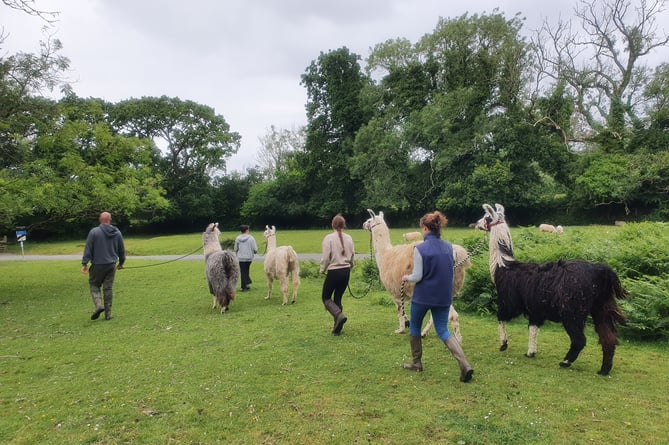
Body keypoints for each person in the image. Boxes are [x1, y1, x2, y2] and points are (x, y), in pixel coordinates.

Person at [401, 211, 474, 382]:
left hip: (423, 297)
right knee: (443, 330)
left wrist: (407, 277)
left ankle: (417, 363)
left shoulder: (419, 249)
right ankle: (465, 365)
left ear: (425, 228)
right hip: (443, 297)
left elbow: (418, 276)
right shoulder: (449, 247)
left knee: (415, 328)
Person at [81, 212, 126, 321]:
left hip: (97, 265)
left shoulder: (94, 232)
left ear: (100, 220)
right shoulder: (117, 233)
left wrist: (84, 263)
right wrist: (121, 263)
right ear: (110, 220)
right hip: (111, 265)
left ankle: (98, 305)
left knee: (94, 285)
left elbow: (88, 249)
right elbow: (121, 250)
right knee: (108, 288)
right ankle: (108, 314)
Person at [320, 214, 355, 335]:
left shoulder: (328, 238)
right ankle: (337, 328)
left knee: (326, 297)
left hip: (334, 271)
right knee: (337, 298)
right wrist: (350, 266)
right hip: (346, 271)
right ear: (344, 225)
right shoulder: (349, 238)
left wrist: (322, 269)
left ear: (332, 225)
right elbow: (352, 255)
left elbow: (325, 258)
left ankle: (339, 316)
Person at [234, 224, 258, 291]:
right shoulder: (251, 238)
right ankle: (244, 286)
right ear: (247, 230)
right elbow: (255, 249)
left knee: (243, 271)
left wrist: (237, 252)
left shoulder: (238, 238)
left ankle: (245, 285)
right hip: (249, 258)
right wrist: (254, 252)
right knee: (246, 271)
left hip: (241, 258)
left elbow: (235, 248)